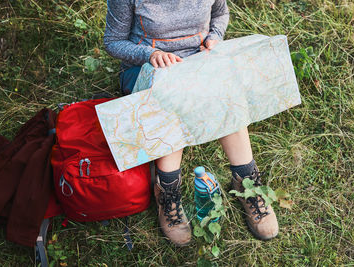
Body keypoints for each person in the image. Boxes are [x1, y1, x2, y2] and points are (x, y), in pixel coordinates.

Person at [104, 0, 279, 246]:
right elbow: (113, 41)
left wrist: (214, 38)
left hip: (198, 61)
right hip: (145, 69)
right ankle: (168, 193)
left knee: (226, 91)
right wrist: (150, 54)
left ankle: (247, 183)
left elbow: (220, 14)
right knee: (171, 96)